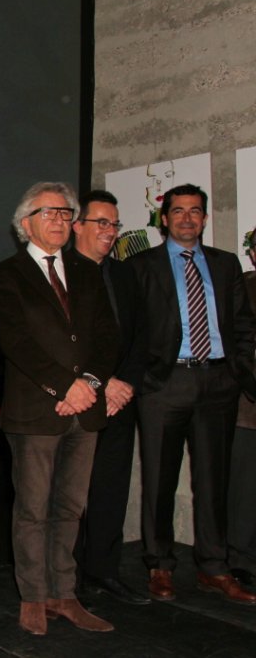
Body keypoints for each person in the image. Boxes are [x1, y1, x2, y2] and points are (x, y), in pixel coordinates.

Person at [0, 182, 119, 636]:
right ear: (26, 224)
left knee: (70, 508)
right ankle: (33, 598)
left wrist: (90, 384)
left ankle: (64, 594)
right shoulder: (4, 275)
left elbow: (106, 336)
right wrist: (64, 385)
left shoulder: (87, 272)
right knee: (33, 509)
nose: (61, 221)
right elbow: (15, 341)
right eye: (50, 213)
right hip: (36, 413)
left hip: (85, 410)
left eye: (67, 214)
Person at [130, 184, 256, 605]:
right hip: (165, 385)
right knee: (159, 480)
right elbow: (132, 330)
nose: (187, 218)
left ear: (204, 218)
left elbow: (242, 325)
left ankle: (214, 568)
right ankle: (160, 564)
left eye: (195, 211)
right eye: (178, 211)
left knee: (213, 481)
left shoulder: (225, 264)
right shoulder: (142, 265)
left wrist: (236, 373)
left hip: (218, 384)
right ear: (164, 219)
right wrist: (146, 379)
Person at [69, 190, 150, 605]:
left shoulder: (124, 275)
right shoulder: (60, 272)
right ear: (76, 225)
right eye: (101, 222)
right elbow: (66, 345)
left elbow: (141, 336)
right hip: (81, 399)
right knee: (71, 493)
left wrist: (126, 383)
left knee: (112, 488)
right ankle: (69, 579)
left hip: (121, 401)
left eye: (114, 224)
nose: (109, 231)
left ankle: (104, 571)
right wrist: (105, 382)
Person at [228, 226, 256, 587]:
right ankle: (241, 559)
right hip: (249, 406)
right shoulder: (243, 288)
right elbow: (237, 346)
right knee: (245, 488)